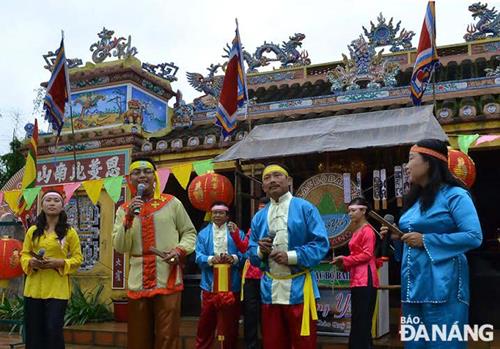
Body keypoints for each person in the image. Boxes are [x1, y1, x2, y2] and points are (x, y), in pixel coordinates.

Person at [381, 139, 482, 348]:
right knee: (414, 343)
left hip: (444, 284)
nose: (406, 167)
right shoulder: (416, 200)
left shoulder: (456, 196)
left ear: (429, 162)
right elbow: (413, 238)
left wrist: (426, 240)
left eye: (411, 159)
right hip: (413, 283)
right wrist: (398, 237)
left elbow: (474, 236)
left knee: (444, 342)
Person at [112, 158, 197, 349]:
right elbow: (120, 246)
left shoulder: (172, 203)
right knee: (138, 337)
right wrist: (128, 219)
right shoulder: (124, 210)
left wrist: (179, 250)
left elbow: (189, 232)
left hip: (167, 275)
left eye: (147, 171)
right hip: (137, 279)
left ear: (155, 177)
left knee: (168, 335)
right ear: (130, 179)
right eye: (137, 172)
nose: (142, 175)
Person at [248, 164, 330, 349]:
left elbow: (321, 244)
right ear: (263, 187)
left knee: (304, 344)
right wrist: (260, 251)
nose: (272, 180)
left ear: (289, 181)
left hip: (300, 289)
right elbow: (251, 253)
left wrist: (291, 257)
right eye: (267, 178)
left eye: (277, 175)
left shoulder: (305, 208)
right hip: (270, 292)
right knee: (272, 344)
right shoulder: (259, 217)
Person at [20, 189, 83, 349]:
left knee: (53, 329)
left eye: (56, 200)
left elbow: (77, 259)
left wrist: (59, 262)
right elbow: (24, 254)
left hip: (57, 289)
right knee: (34, 332)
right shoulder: (33, 231)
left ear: (62, 206)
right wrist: (32, 262)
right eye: (48, 200)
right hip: (34, 288)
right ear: (42, 205)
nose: (52, 203)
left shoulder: (70, 232)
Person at [332, 196, 379, 349]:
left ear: (363, 211)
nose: (350, 214)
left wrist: (345, 260)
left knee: (363, 320)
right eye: (349, 211)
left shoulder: (368, 231)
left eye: (353, 210)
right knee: (359, 319)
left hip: (366, 278)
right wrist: (343, 264)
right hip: (357, 278)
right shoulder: (357, 229)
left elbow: (367, 255)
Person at [195, 202, 244, 349]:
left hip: (231, 285)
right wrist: (211, 259)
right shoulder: (203, 234)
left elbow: (246, 254)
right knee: (205, 323)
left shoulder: (237, 233)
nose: (217, 215)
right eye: (214, 213)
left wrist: (233, 258)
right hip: (209, 285)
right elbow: (198, 257)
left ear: (227, 216)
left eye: (220, 213)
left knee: (230, 324)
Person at [230, 197, 270, 349]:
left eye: (263, 209)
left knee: (267, 314)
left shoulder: (277, 227)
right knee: (250, 315)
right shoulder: (253, 229)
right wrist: (235, 235)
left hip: (268, 276)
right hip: (250, 277)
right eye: (259, 210)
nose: (260, 212)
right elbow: (244, 249)